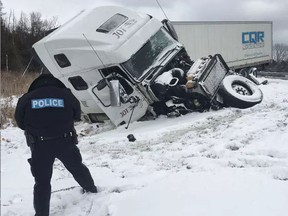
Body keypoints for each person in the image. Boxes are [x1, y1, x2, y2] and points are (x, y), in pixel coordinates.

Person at [14, 73, 97, 216]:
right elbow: (77, 115)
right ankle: (91, 190)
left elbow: (20, 122)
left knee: (42, 182)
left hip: (40, 145)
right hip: (65, 141)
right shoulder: (66, 95)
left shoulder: (26, 99)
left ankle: (41, 214)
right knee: (77, 167)